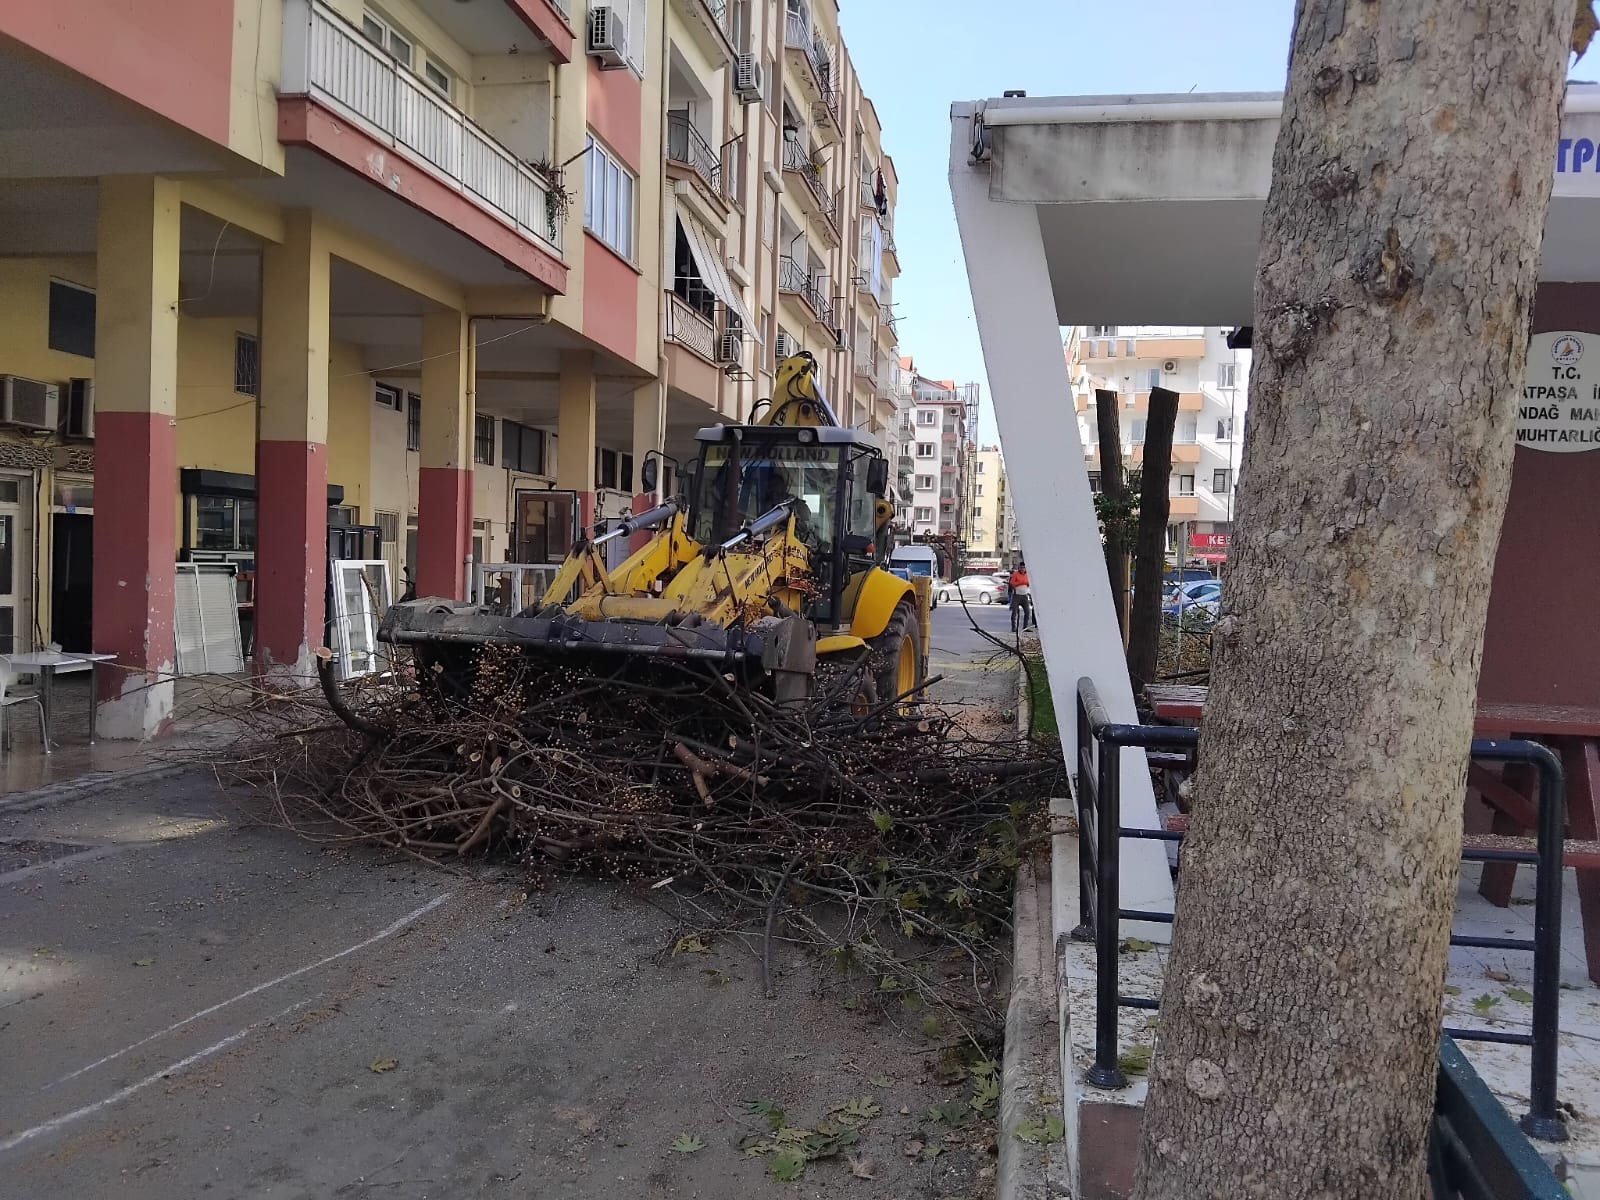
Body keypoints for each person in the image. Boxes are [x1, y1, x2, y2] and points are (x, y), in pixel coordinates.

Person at [1009, 561, 1034, 632]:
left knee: (1027, 612)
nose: (1022, 569)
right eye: (1021, 567)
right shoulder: (1015, 574)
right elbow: (1012, 583)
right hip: (1017, 595)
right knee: (1014, 612)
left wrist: (1026, 583)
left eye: (1024, 568)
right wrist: (1022, 582)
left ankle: (1025, 627)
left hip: (1024, 595)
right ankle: (1014, 627)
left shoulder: (1027, 575)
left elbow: (1029, 583)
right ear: (1019, 568)